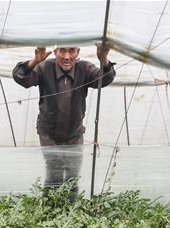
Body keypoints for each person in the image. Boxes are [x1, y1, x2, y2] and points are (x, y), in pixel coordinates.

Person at [13, 44, 116, 203]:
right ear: (55, 52)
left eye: (71, 51)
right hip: (48, 133)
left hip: (74, 134)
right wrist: (35, 61)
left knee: (72, 175)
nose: (67, 56)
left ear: (78, 53)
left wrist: (104, 59)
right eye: (62, 51)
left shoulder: (84, 68)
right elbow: (22, 78)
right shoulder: (45, 67)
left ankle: (70, 211)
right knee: (53, 173)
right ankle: (49, 211)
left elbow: (104, 79)